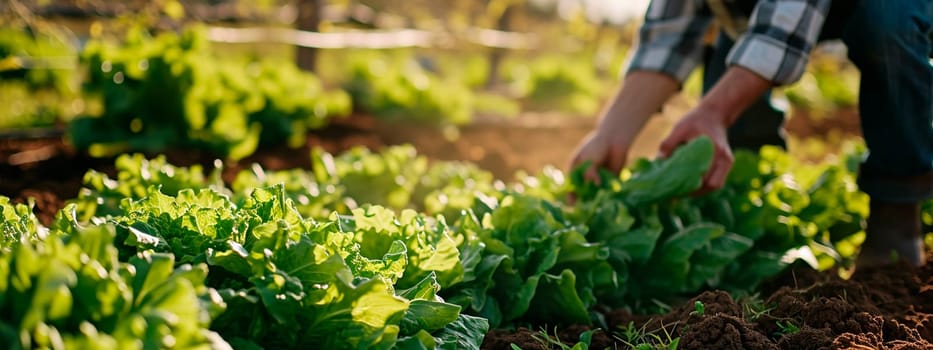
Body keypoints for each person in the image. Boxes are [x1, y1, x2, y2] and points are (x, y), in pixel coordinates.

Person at [570, 0, 933, 267]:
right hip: (764, 13)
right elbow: (668, 37)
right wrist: (610, 134)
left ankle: (897, 212)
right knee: (736, 97)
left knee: (888, 25)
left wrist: (714, 111)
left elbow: (787, 21)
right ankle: (756, 220)